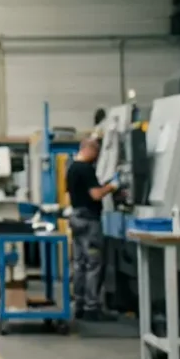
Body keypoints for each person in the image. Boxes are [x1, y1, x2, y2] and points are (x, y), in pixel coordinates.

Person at [65, 136, 119, 321]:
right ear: (91, 150)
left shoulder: (72, 167)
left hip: (77, 219)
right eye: (96, 153)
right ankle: (92, 306)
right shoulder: (86, 169)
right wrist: (112, 186)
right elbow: (96, 195)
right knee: (94, 264)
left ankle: (78, 303)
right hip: (89, 222)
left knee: (80, 263)